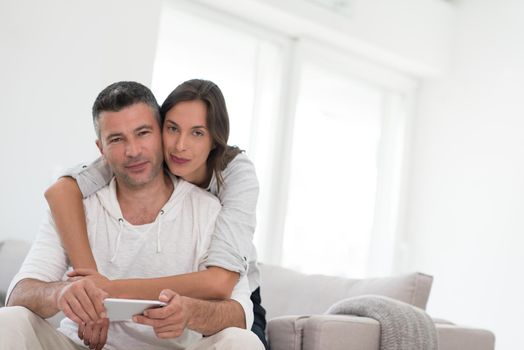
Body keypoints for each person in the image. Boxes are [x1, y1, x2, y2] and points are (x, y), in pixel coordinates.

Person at [0, 81, 263, 350]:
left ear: (157, 133)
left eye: (142, 133)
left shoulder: (216, 204)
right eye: (116, 139)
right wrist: (61, 293)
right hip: (80, 345)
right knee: (8, 320)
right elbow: (19, 293)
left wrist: (191, 312)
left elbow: (237, 309)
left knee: (243, 341)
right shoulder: (78, 205)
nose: (133, 150)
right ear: (101, 149)